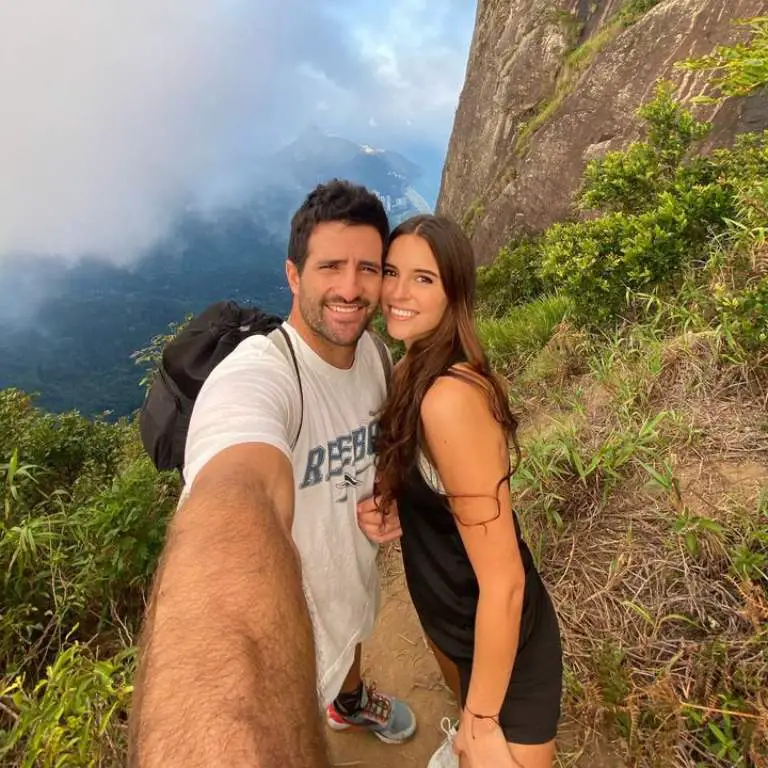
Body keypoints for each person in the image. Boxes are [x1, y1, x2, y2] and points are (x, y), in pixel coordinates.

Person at [128, 179, 416, 768]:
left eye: (368, 268)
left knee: (355, 623)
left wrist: (386, 491)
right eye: (330, 266)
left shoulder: (377, 357)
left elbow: (377, 448)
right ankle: (334, 704)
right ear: (294, 276)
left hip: (349, 578)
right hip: (287, 633)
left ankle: (351, 701)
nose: (350, 287)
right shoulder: (261, 375)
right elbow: (239, 486)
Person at [357, 214, 563, 768]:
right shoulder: (408, 372)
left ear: (455, 292)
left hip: (503, 643)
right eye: (392, 272)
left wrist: (479, 720)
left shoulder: (448, 397)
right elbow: (429, 486)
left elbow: (506, 582)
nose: (398, 293)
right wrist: (388, 501)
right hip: (448, 618)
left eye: (423, 279)